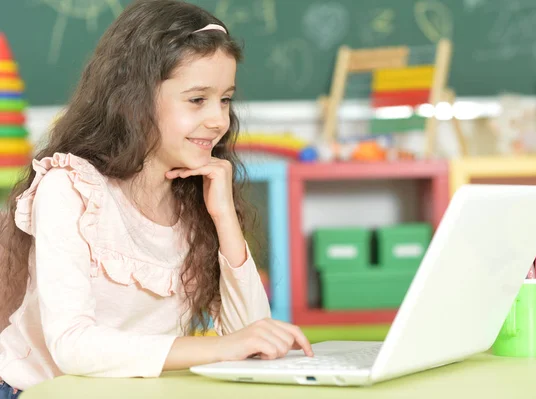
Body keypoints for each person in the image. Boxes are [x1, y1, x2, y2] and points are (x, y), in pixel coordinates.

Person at [0, 0, 313, 396]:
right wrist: (215, 348)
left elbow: (248, 337)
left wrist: (224, 220)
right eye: (197, 99)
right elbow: (73, 347)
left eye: (225, 99)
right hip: (36, 390)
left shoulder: (191, 193)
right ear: (135, 99)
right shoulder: (71, 186)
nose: (219, 120)